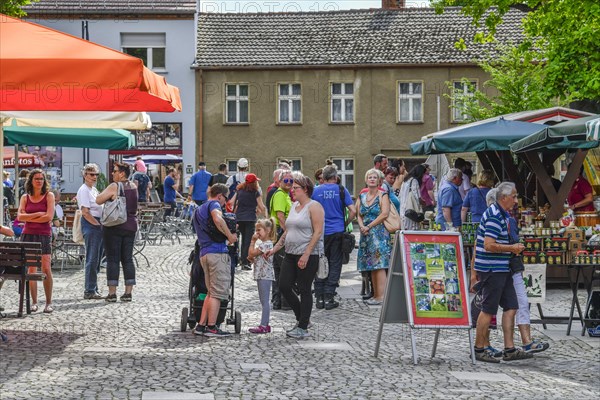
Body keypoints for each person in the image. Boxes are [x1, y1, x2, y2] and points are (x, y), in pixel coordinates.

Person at [473, 182, 532, 363]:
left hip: (502, 267)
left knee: (512, 306)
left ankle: (509, 348)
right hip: (492, 268)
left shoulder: (502, 213)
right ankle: (479, 349)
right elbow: (488, 245)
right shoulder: (493, 215)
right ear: (504, 197)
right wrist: (511, 248)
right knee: (488, 309)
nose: (516, 200)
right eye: (513, 196)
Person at [270, 173, 324, 339]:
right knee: (284, 285)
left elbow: (318, 232)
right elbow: (288, 230)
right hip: (290, 253)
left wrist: (307, 253)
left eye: (296, 188)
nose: (292, 190)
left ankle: (302, 326)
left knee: (304, 288)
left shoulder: (314, 206)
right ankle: (303, 318)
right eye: (292, 188)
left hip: (308, 254)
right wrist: (275, 248)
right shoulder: (294, 206)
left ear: (305, 189)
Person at [192, 183, 238, 337]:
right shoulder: (214, 204)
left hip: (204, 253)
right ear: (220, 196)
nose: (225, 203)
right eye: (225, 199)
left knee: (210, 292)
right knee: (218, 293)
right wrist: (230, 236)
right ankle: (212, 327)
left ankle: (201, 326)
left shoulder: (199, 209)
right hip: (217, 253)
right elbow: (218, 218)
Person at [312, 164, 356, 310]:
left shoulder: (316, 191)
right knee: (335, 263)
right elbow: (353, 211)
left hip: (320, 232)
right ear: (336, 177)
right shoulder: (341, 190)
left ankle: (319, 297)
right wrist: (345, 223)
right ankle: (329, 296)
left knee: (319, 262)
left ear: (323, 178)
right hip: (337, 231)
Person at [96, 162, 138, 303]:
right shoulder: (133, 186)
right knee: (127, 259)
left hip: (115, 226)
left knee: (113, 259)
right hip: (131, 226)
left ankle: (112, 293)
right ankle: (128, 293)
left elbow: (98, 199)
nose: (112, 173)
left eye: (115, 171)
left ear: (122, 173)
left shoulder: (114, 186)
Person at [17, 169, 55, 313]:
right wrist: (39, 214)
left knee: (46, 268)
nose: (39, 181)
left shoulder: (49, 196)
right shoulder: (25, 197)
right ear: (31, 181)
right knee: (31, 269)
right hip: (28, 235)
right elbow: (20, 217)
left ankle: (49, 302)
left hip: (44, 235)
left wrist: (30, 216)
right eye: (36, 179)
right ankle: (34, 302)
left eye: (41, 179)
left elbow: (48, 217)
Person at [356, 169, 391, 306]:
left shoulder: (383, 195)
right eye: (369, 177)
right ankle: (376, 295)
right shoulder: (362, 196)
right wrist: (361, 226)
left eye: (374, 177)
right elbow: (359, 213)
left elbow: (384, 214)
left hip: (379, 234)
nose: (371, 179)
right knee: (371, 265)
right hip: (366, 235)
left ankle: (381, 296)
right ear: (366, 180)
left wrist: (368, 226)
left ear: (379, 181)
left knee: (380, 264)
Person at [76, 164, 104, 300]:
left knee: (97, 259)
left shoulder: (93, 189)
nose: (94, 177)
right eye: (91, 174)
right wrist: (98, 225)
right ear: (85, 175)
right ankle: (89, 290)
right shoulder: (84, 190)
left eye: (96, 174)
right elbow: (85, 212)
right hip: (92, 224)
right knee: (92, 258)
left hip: (97, 223)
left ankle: (93, 287)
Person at [246, 217, 277, 334]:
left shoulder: (267, 244)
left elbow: (251, 253)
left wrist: (252, 241)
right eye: (256, 230)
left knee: (265, 301)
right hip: (262, 275)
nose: (257, 233)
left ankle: (264, 325)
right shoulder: (265, 244)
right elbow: (253, 256)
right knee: (263, 300)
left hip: (265, 276)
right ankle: (265, 324)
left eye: (259, 230)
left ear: (268, 230)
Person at [230, 173, 267, 271]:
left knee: (237, 239)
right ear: (254, 183)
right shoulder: (255, 192)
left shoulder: (239, 191)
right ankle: (245, 262)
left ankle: (236, 259)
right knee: (247, 241)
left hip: (239, 218)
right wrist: (265, 215)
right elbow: (261, 206)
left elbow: (232, 203)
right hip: (250, 219)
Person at [269, 170, 293, 310]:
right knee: (284, 268)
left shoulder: (286, 195)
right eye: (286, 180)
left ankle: (278, 301)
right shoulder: (279, 195)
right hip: (280, 232)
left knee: (279, 268)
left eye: (291, 181)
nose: (289, 183)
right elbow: (280, 216)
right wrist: (287, 232)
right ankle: (284, 301)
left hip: (280, 232)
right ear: (279, 181)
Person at [399, 164, 425, 231]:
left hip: (403, 211)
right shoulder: (414, 181)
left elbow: (400, 196)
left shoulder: (405, 180)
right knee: (412, 233)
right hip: (411, 211)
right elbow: (417, 197)